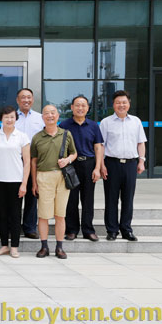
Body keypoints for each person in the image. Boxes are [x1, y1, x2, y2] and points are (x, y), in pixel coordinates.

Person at [30, 105, 77, 259]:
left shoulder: (66, 134)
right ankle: (44, 246)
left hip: (62, 177)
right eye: (46, 113)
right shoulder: (37, 137)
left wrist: (67, 160)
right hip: (43, 177)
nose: (50, 116)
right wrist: (34, 183)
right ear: (42, 117)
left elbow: (74, 153)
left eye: (53, 113)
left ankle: (59, 247)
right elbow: (33, 161)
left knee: (60, 215)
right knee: (43, 215)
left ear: (58, 116)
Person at [100, 90, 147, 242]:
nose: (121, 105)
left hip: (131, 164)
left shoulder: (136, 121)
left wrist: (141, 161)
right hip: (111, 164)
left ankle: (126, 229)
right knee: (111, 198)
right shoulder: (106, 122)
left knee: (128, 199)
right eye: (118, 102)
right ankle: (112, 230)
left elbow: (141, 142)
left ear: (129, 104)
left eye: (124, 102)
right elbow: (101, 145)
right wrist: (101, 165)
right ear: (113, 104)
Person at [59, 96, 104, 242]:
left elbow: (98, 147)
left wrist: (97, 168)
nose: (80, 108)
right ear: (72, 107)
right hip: (71, 165)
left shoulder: (93, 126)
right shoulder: (64, 125)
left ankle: (88, 230)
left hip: (89, 164)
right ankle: (71, 230)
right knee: (71, 199)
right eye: (77, 105)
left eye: (83, 105)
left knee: (88, 199)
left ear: (88, 108)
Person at [0, 106, 30, 258]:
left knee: (15, 215)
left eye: (12, 117)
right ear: (1, 119)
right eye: (6, 117)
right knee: (2, 215)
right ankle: (4, 245)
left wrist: (24, 183)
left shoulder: (22, 137)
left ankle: (15, 247)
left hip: (16, 181)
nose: (9, 120)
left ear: (16, 118)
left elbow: (27, 162)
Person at [15, 88, 45, 240]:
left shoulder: (40, 118)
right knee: (15, 194)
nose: (26, 100)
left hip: (34, 161)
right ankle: (13, 226)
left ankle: (30, 227)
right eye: (23, 97)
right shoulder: (12, 117)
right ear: (17, 100)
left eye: (28, 97)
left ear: (32, 100)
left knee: (32, 194)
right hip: (15, 161)